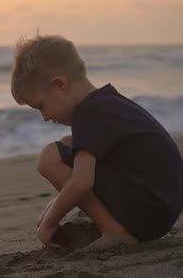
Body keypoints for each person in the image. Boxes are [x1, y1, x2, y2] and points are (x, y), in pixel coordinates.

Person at [10, 34, 183, 250]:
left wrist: (48, 223)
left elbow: (82, 182)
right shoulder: (106, 103)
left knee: (49, 158)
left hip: (148, 210)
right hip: (162, 209)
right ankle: (113, 225)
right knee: (68, 144)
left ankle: (114, 231)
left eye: (41, 106)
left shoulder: (88, 112)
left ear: (60, 85)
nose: (44, 117)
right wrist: (53, 208)